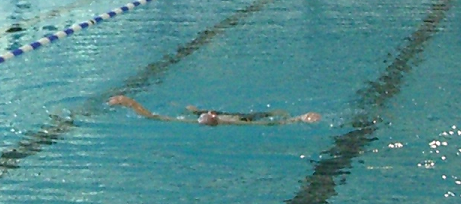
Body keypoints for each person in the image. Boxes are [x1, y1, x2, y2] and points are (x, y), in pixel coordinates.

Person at [107, 95, 321, 126]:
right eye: (205, 115)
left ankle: (194, 108)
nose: (206, 116)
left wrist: (129, 102)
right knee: (276, 112)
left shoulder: (200, 121)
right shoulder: (230, 122)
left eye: (205, 115)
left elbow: (153, 117)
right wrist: (300, 118)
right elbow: (273, 125)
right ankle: (195, 108)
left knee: (276, 112)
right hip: (243, 118)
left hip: (241, 117)